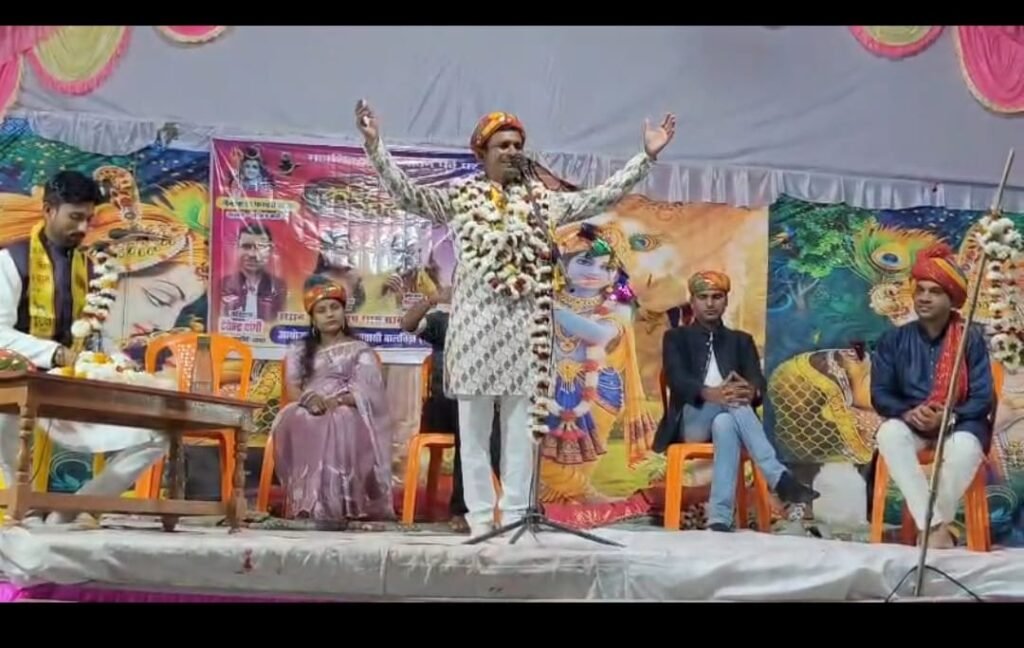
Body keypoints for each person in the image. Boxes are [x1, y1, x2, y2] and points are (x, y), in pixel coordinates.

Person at [357, 99, 676, 537]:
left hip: (527, 338)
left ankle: (513, 520)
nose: (512, 151)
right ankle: (479, 520)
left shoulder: (543, 203)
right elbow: (407, 194)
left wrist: (646, 156)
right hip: (474, 336)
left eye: (517, 145)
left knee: (521, 437)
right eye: (502, 145)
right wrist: (375, 146)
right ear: (482, 152)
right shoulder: (462, 200)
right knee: (472, 437)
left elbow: (600, 196)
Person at [0, 170, 167, 524]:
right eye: (75, 217)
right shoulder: (11, 261)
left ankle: (74, 509)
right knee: (2, 419)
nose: (82, 227)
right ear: (49, 210)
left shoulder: (93, 267)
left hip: (71, 385)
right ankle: (27, 508)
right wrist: (54, 353)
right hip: (21, 385)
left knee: (157, 434)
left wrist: (119, 364)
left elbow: (97, 335)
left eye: (88, 219)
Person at [654, 270, 818, 531]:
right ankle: (778, 477)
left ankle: (719, 518)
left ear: (726, 301)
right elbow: (677, 379)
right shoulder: (676, 338)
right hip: (692, 421)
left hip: (731, 419)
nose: (710, 303)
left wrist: (750, 391)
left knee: (726, 424)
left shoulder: (741, 341)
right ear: (693, 301)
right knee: (732, 401)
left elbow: (757, 382)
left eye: (717, 297)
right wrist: (712, 394)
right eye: (703, 297)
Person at [868, 245, 993, 549]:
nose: (924, 297)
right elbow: (880, 393)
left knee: (966, 448)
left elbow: (982, 397)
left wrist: (948, 416)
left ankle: (931, 528)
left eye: (934, 292)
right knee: (888, 433)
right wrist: (909, 413)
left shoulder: (971, 339)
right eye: (920, 289)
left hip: (958, 423)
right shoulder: (894, 339)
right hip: (912, 422)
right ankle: (936, 527)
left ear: (952, 298)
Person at [271, 275, 396, 529]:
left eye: (334, 307)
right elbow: (293, 388)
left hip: (348, 409)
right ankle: (309, 504)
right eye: (322, 310)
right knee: (301, 415)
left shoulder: (360, 350)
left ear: (343, 312)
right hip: (307, 406)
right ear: (313, 318)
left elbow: (370, 393)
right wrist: (309, 400)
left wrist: (336, 401)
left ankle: (341, 504)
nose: (329, 314)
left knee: (340, 417)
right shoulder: (298, 350)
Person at [401, 286, 501, 533]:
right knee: (469, 416)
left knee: (495, 419)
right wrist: (431, 300)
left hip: (479, 405)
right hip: (442, 407)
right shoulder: (443, 321)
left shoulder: (493, 323)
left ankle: (517, 505)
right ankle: (463, 509)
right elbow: (407, 324)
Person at [219, 222, 286, 322]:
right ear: (237, 248)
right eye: (246, 246)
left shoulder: (279, 287)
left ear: (270, 251)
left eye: (261, 247)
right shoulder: (224, 285)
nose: (252, 254)